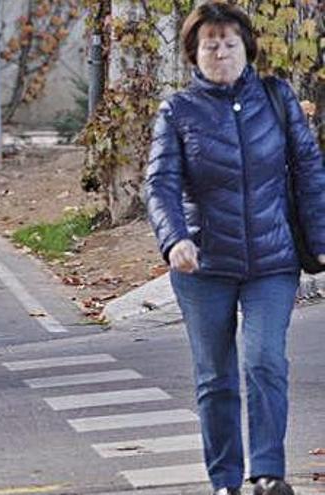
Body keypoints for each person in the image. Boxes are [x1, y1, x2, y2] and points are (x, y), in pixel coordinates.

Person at [145, 3, 325, 495]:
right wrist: (175, 238)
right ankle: (225, 480)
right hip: (203, 264)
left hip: (272, 260)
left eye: (229, 43)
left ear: (246, 47)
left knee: (265, 360)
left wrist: (322, 237)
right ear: (193, 54)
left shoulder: (276, 97)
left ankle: (268, 473)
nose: (220, 52)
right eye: (210, 45)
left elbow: (308, 169)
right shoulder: (177, 112)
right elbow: (160, 183)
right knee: (216, 378)